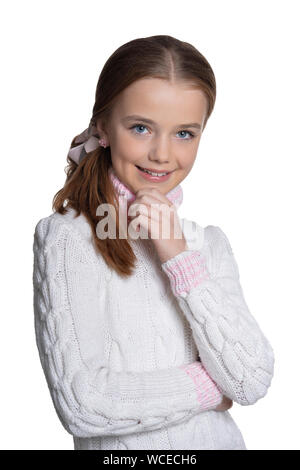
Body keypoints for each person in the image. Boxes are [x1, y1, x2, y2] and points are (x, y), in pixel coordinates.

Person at [32, 35, 275, 451]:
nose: (162, 154)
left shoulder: (207, 245)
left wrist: (177, 255)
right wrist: (210, 387)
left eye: (184, 133)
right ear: (104, 128)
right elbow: (82, 401)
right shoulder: (67, 239)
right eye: (141, 127)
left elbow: (252, 380)